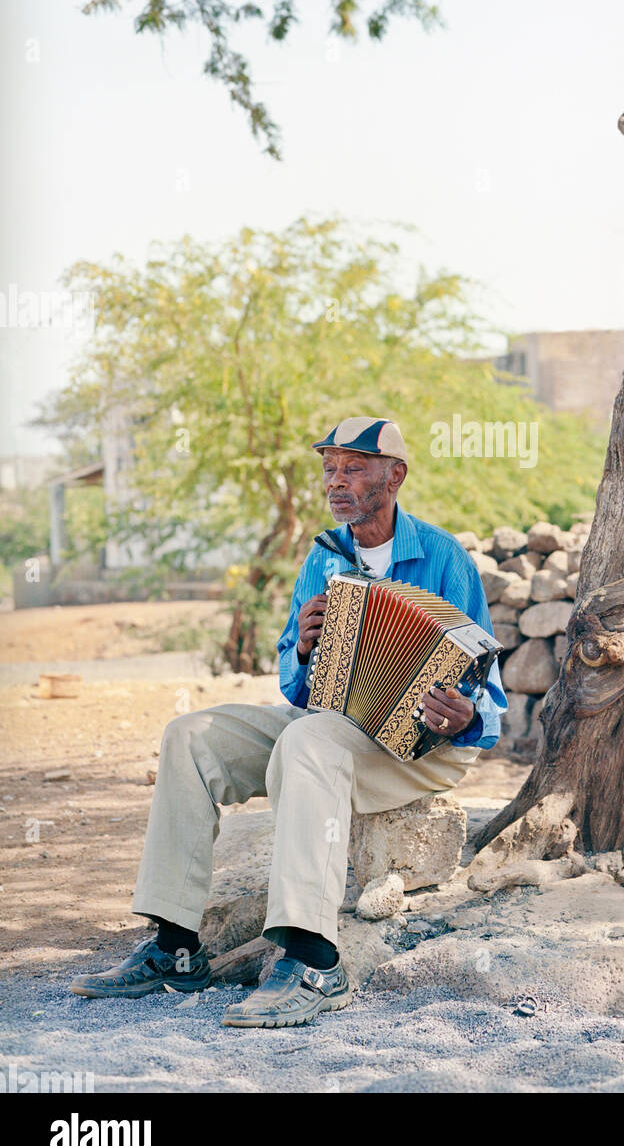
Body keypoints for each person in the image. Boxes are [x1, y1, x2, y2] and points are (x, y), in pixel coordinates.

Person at [69, 416, 506, 1028]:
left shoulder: (442, 555)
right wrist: (301, 649)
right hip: (329, 723)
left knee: (307, 740)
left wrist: (464, 717)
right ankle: (175, 948)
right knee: (189, 737)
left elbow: (488, 685)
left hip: (419, 744)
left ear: (395, 476)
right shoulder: (324, 556)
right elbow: (294, 684)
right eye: (330, 469)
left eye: (354, 468)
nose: (337, 481)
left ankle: (314, 962)